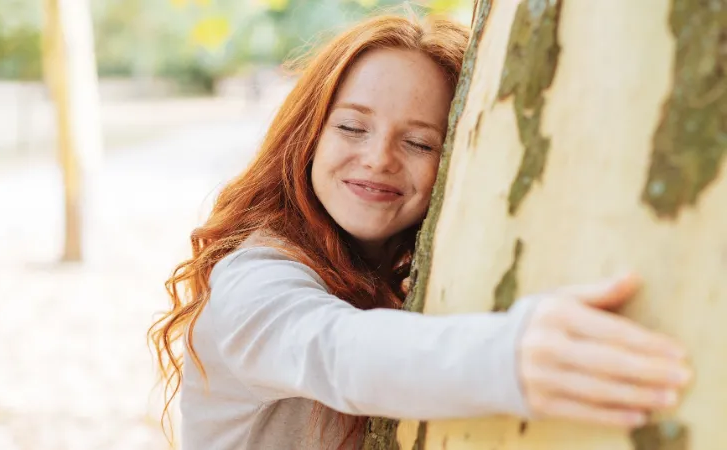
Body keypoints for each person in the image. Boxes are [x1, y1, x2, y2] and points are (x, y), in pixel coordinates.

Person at [148, 10, 692, 450]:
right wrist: (510, 356)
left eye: (419, 142)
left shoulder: (402, 273)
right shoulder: (252, 280)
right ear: (307, 137)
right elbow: (338, 352)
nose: (379, 158)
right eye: (352, 127)